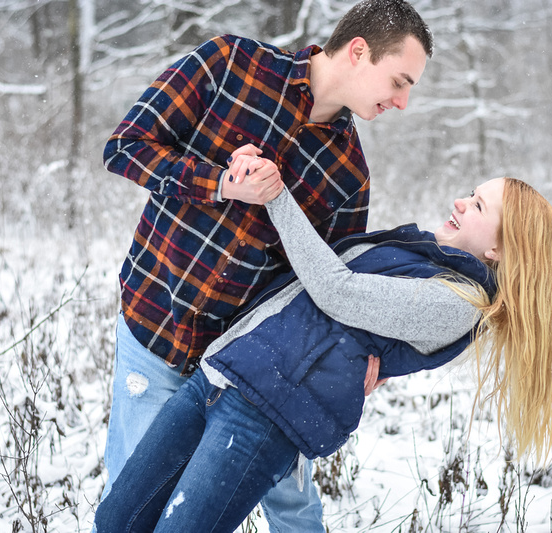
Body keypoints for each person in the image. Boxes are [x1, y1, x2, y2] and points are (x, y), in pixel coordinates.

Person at [99, 0, 433, 530]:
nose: (403, 101)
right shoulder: (230, 63)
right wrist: (222, 183)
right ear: (359, 51)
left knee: (295, 514)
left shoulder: (350, 174)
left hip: (245, 369)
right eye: (399, 80)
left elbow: (330, 290)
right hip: (156, 333)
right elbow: (124, 146)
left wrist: (368, 351)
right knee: (132, 511)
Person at [94, 161, 552, 532]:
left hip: (261, 417)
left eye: (478, 206)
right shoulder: (421, 256)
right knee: (116, 521)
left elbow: (335, 290)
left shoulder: (456, 303)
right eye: (471, 193)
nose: (461, 202)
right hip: (219, 375)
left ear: (501, 250)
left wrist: (277, 196)